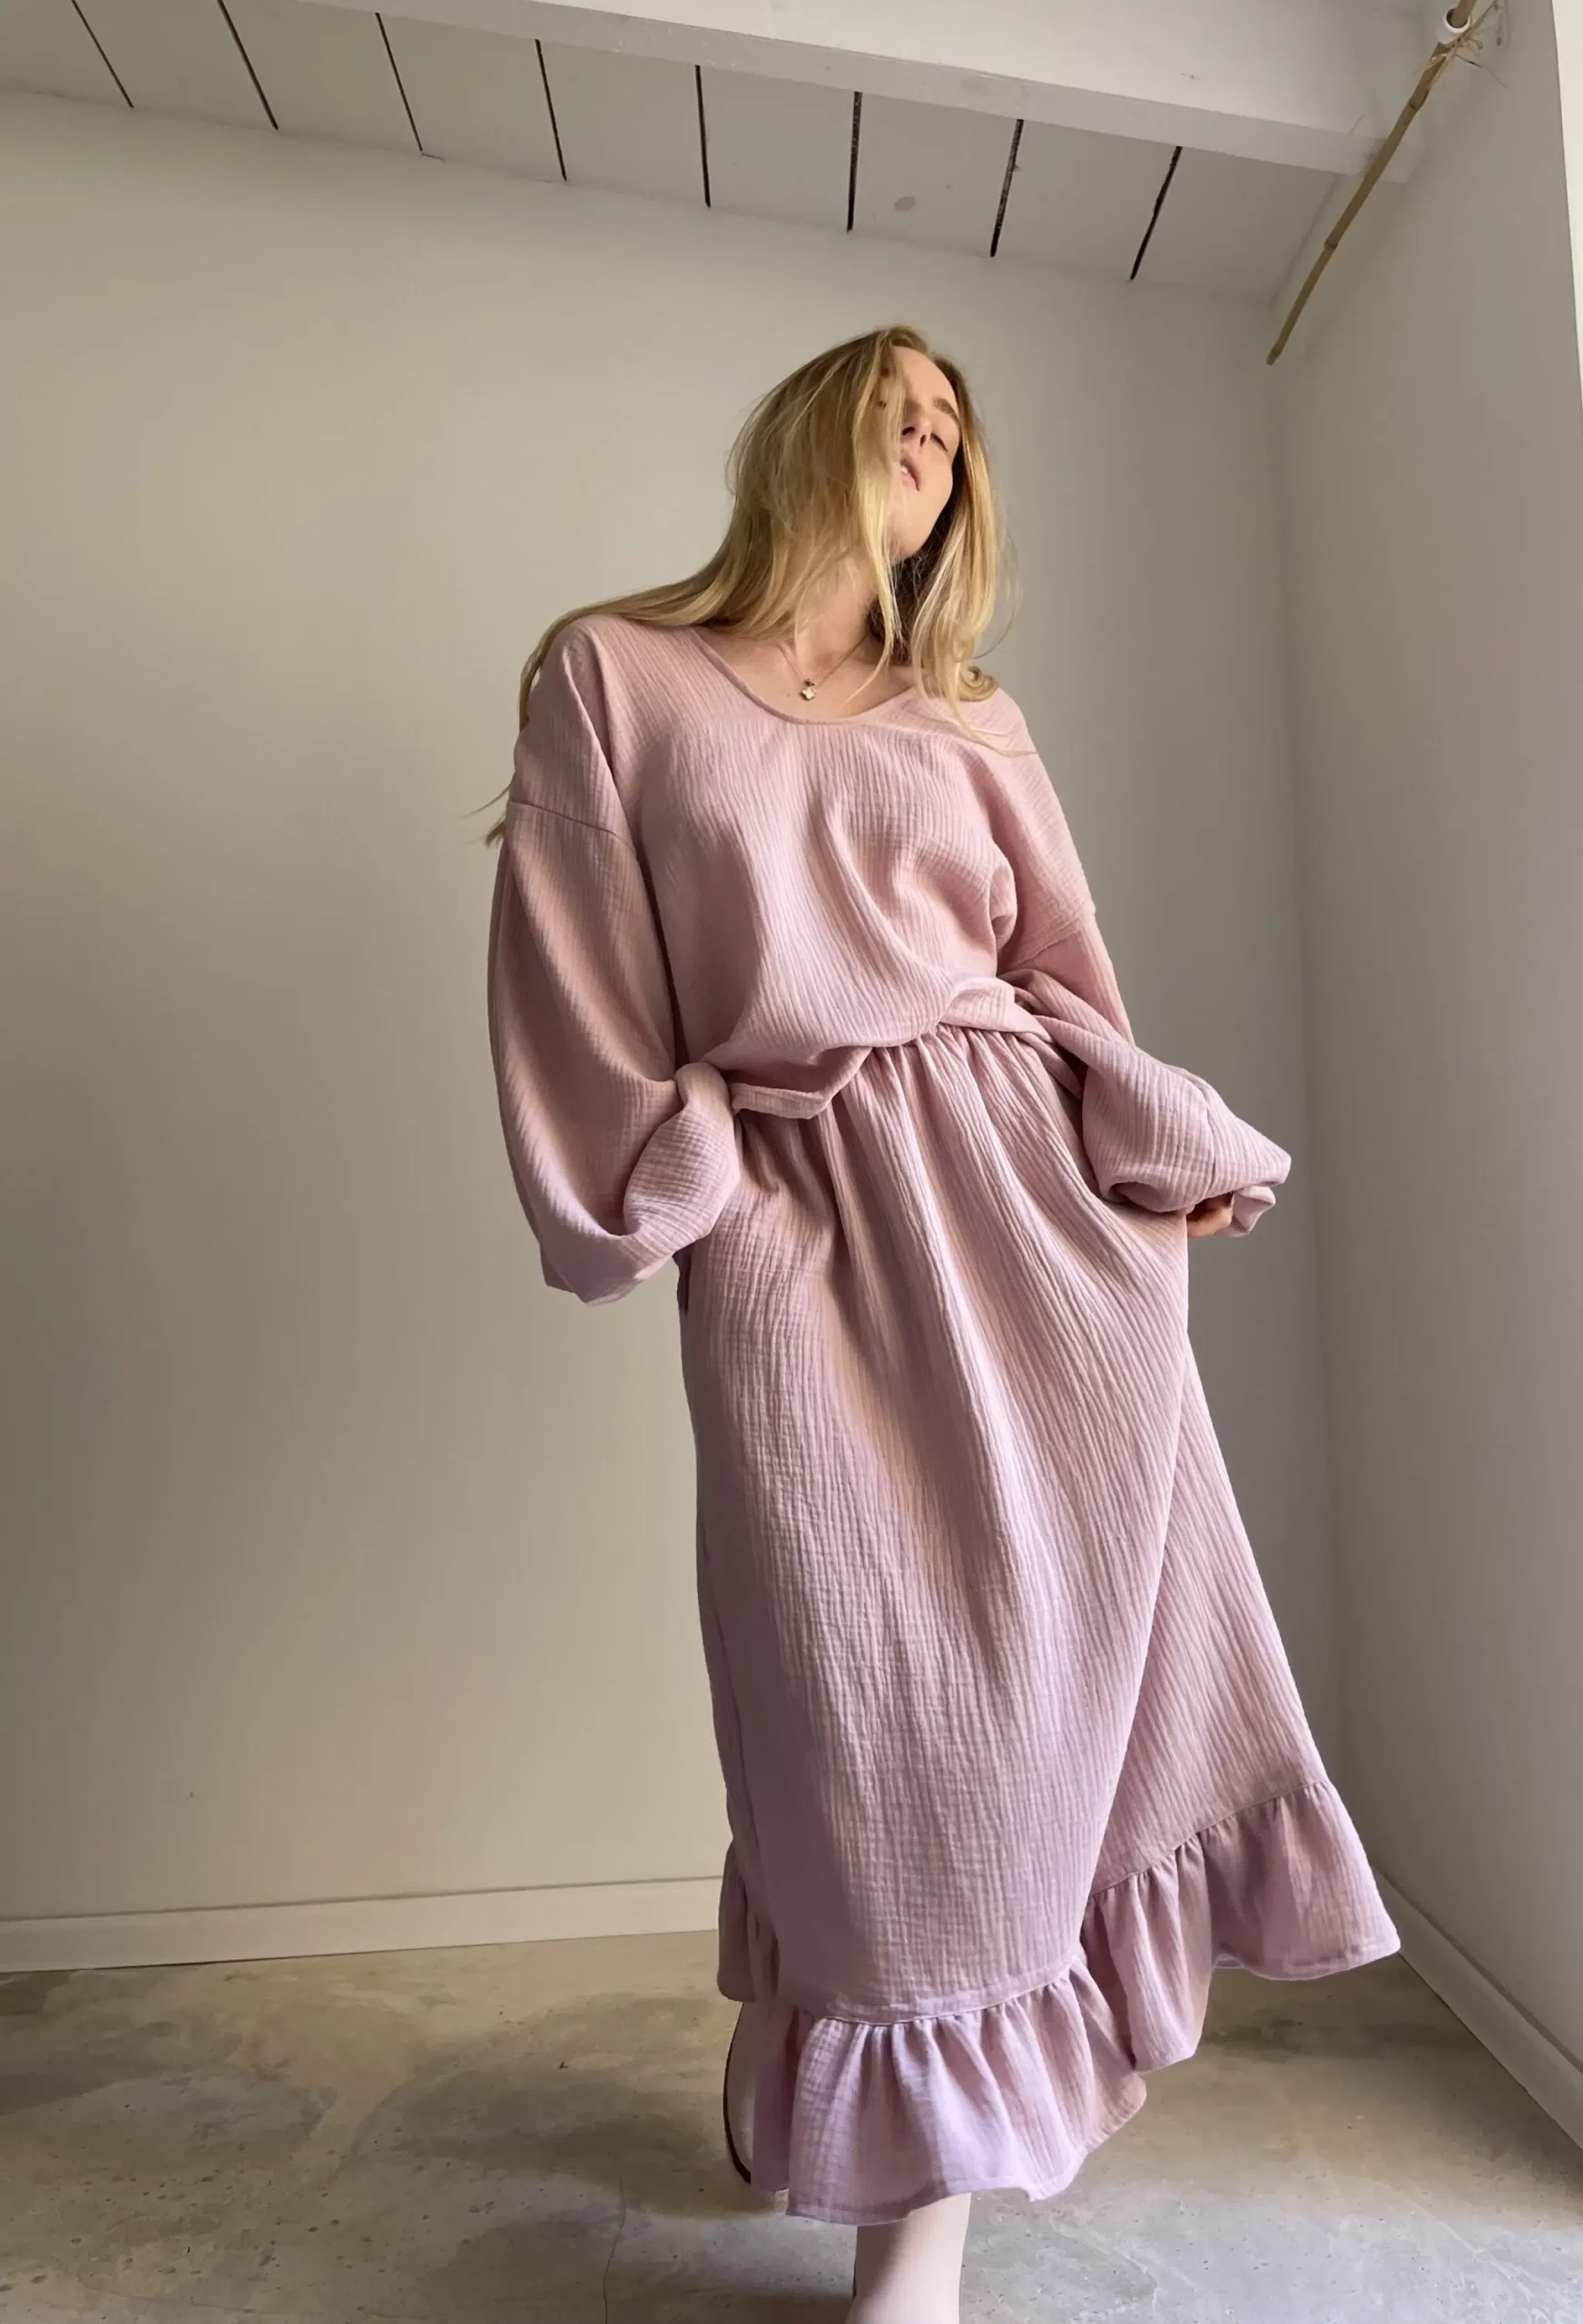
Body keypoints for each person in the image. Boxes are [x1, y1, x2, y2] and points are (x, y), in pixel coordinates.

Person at [484, 324, 1399, 2323]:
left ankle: (920, 2231)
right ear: (810, 426)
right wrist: (689, 1195)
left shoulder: (969, 716)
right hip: (799, 1228)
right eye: (901, 399)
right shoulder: (612, 675)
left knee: (1018, 1711)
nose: (932, 431)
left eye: (958, 425)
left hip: (1032, 1228)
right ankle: (828, 2080)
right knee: (849, 1713)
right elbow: (578, 989)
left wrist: (1149, 1155)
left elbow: (1065, 981)